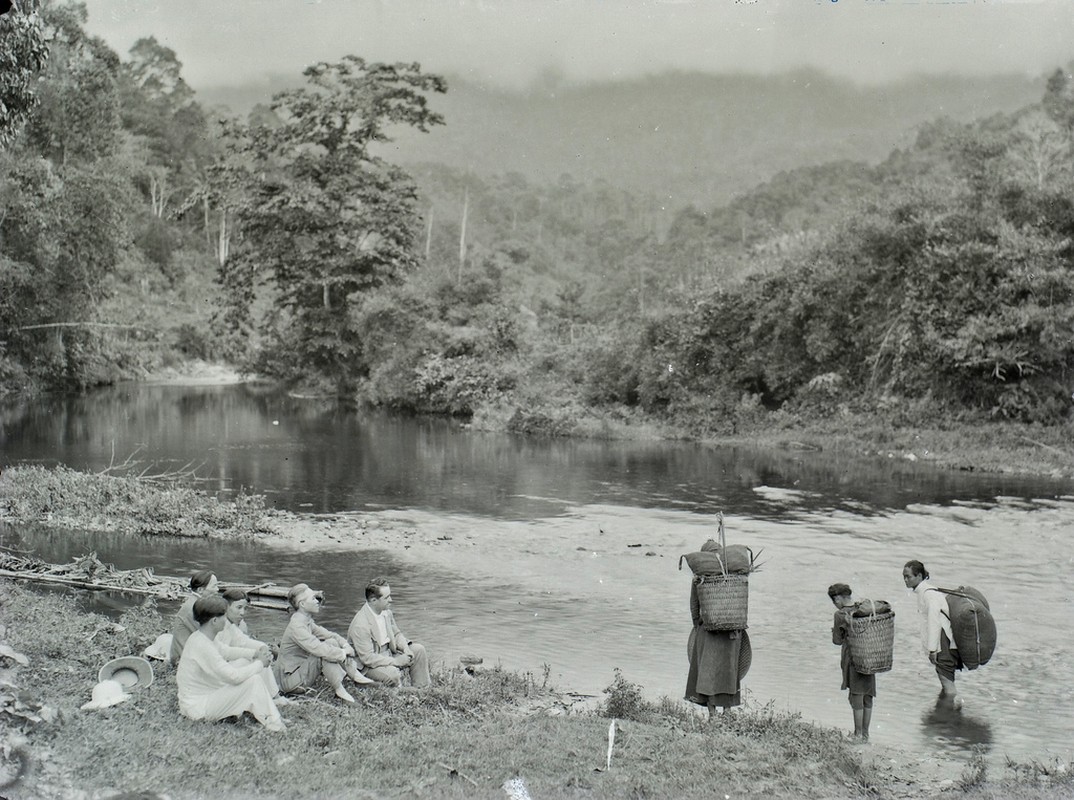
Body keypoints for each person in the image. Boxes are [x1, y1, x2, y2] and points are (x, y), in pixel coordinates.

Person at [175, 595, 285, 732]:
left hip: (208, 693)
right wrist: (260, 664)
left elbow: (225, 651)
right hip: (198, 708)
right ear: (214, 621)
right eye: (224, 616)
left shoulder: (201, 636)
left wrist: (255, 654)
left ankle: (268, 709)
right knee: (254, 680)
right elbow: (233, 676)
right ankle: (275, 724)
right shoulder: (202, 645)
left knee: (247, 662)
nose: (226, 620)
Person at [275, 583, 373, 703]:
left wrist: (345, 645)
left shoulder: (306, 620)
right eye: (313, 598)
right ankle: (339, 689)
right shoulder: (297, 626)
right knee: (322, 653)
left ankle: (355, 675)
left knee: (331, 642)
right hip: (289, 681)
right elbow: (319, 649)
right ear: (302, 604)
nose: (317, 601)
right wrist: (343, 652)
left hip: (300, 670)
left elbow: (330, 635)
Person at [684, 540, 751, 714]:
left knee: (708, 671)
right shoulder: (736, 577)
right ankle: (727, 712)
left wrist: (697, 625)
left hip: (708, 630)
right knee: (729, 672)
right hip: (733, 633)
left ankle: (712, 713)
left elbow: (694, 606)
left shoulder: (700, 577)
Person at [348, 578, 431, 688]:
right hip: (368, 666)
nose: (391, 600)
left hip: (388, 653)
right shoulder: (360, 625)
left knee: (418, 650)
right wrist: (396, 661)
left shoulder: (386, 612)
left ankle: (422, 690)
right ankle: (395, 694)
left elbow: (396, 634)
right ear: (373, 600)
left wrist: (405, 648)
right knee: (392, 674)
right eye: (387, 597)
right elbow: (368, 659)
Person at [903, 560, 963, 708]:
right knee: (946, 680)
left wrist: (932, 650)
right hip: (944, 641)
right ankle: (948, 715)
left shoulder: (928, 594)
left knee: (947, 684)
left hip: (943, 642)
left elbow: (934, 622)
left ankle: (949, 717)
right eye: (904, 576)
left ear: (919, 576)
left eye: (908, 576)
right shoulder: (927, 591)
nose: (905, 580)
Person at [218, 588, 287, 705]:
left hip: (225, 669)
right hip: (218, 674)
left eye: (245, 608)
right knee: (252, 659)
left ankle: (274, 696)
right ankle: (273, 697)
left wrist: (263, 647)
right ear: (225, 607)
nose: (243, 613)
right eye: (239, 607)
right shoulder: (218, 625)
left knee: (260, 656)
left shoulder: (230, 625)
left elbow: (244, 641)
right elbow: (223, 652)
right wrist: (255, 654)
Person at [828, 583, 877, 742]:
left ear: (838, 598)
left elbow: (837, 641)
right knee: (867, 696)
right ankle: (865, 734)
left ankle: (857, 734)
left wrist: (835, 632)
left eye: (834, 600)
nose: (834, 603)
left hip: (853, 658)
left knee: (856, 695)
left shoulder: (840, 615)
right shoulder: (862, 610)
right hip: (870, 656)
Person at [170, 570, 218, 664]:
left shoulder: (197, 603)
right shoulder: (193, 607)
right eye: (214, 586)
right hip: (183, 660)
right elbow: (208, 637)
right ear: (200, 590)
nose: (217, 589)